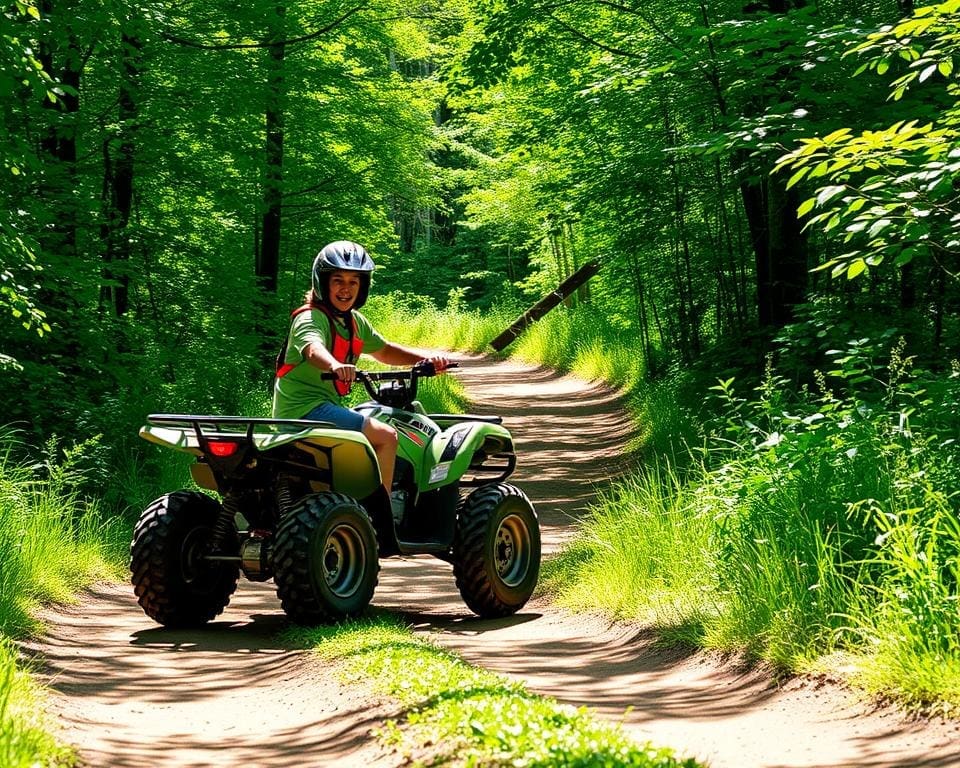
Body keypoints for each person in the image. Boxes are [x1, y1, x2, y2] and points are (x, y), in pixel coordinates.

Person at [272, 240, 450, 502]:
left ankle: (350, 503)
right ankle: (379, 518)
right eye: (338, 280)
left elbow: (385, 351)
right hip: (305, 410)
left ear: (362, 286)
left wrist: (427, 360)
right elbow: (312, 348)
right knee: (387, 436)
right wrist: (335, 365)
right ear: (322, 283)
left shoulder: (354, 322)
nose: (346, 289)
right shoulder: (310, 317)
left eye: (354, 281)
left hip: (322, 409)